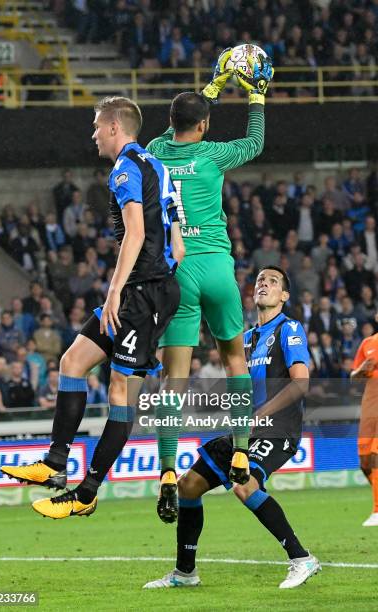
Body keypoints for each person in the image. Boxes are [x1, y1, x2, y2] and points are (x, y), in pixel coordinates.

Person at [1, 96, 183, 520]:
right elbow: (178, 243)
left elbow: (135, 233)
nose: (94, 134)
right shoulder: (157, 165)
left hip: (143, 294)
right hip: (146, 287)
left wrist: (121, 289)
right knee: (72, 361)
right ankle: (55, 462)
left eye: (97, 126)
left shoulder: (124, 170)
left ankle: (88, 489)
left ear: (116, 128)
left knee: (120, 388)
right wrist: (151, 276)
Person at [146, 48, 273, 522]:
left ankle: (165, 472)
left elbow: (170, 132)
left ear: (172, 121)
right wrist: (254, 96)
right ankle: (241, 452)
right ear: (203, 128)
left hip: (176, 272)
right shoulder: (213, 155)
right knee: (235, 358)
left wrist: (211, 89)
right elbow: (254, 142)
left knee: (172, 379)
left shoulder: (156, 153)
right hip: (216, 267)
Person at [143, 267, 320, 590]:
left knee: (245, 484)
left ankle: (301, 558)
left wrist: (263, 412)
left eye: (273, 281)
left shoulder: (289, 329)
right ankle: (186, 573)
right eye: (260, 281)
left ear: (285, 296)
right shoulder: (246, 338)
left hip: (277, 430)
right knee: (188, 486)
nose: (264, 284)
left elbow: (301, 383)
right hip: (243, 433)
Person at [351, 330, 378, 527]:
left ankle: (377, 510)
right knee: (365, 461)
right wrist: (361, 370)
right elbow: (354, 377)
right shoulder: (368, 343)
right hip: (370, 406)